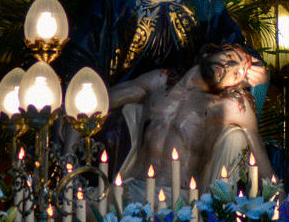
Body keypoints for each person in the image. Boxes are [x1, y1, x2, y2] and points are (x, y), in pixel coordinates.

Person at [59, 0, 268, 175]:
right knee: (110, 132)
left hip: (188, 91)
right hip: (135, 93)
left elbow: (227, 38)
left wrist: (250, 64)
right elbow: (87, 46)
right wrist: (81, 90)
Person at [109, 43, 274, 198]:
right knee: (89, 205)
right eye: (230, 58)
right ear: (211, 51)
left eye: (237, 74)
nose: (229, 68)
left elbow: (263, 165)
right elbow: (102, 100)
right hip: (134, 188)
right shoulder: (160, 80)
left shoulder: (229, 106)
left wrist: (286, 213)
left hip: (179, 201)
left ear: (234, 85)